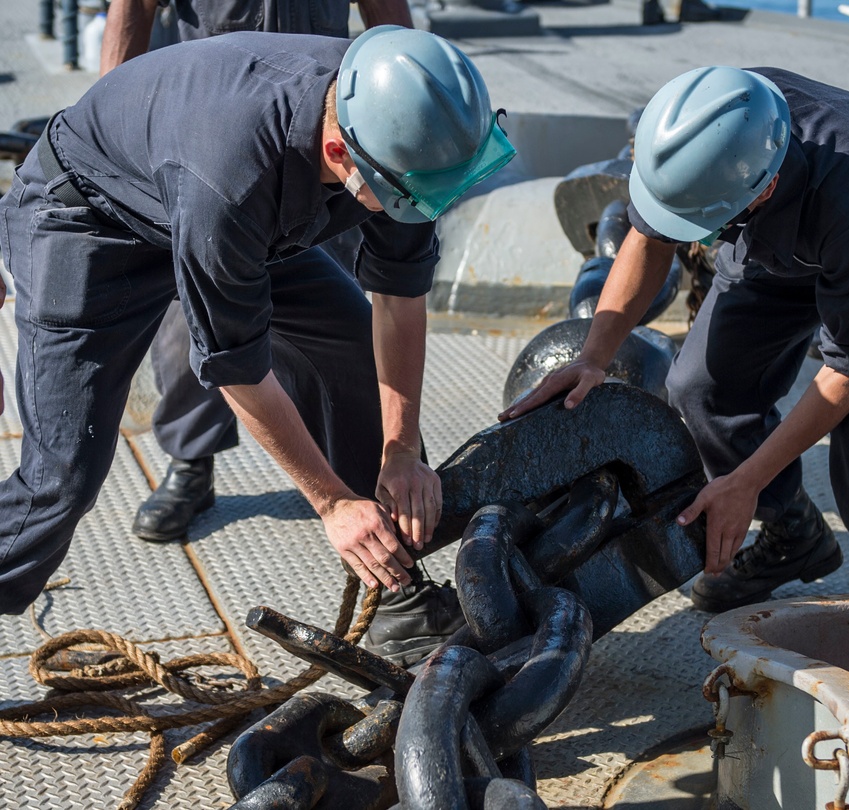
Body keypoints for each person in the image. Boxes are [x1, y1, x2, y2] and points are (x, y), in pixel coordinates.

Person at [0, 27, 516, 664]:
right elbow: (237, 367)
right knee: (62, 477)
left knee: (346, 338)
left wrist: (402, 448)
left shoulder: (404, 130)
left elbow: (399, 298)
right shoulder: (234, 179)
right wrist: (330, 504)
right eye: (410, 195)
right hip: (88, 220)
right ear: (339, 152)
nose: (424, 207)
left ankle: (397, 600)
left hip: (216, 201)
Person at [500, 65, 849, 613]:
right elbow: (648, 237)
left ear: (763, 190)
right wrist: (594, 357)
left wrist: (746, 480)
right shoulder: (709, 134)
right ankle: (796, 534)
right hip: (786, 220)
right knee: (701, 386)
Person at [99, 1, 464, 665]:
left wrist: (415, 124)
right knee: (198, 332)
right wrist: (119, 151)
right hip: (206, 136)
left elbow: (386, 15)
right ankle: (191, 459)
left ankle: (383, 536)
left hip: (332, 138)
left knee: (347, 336)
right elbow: (133, 12)